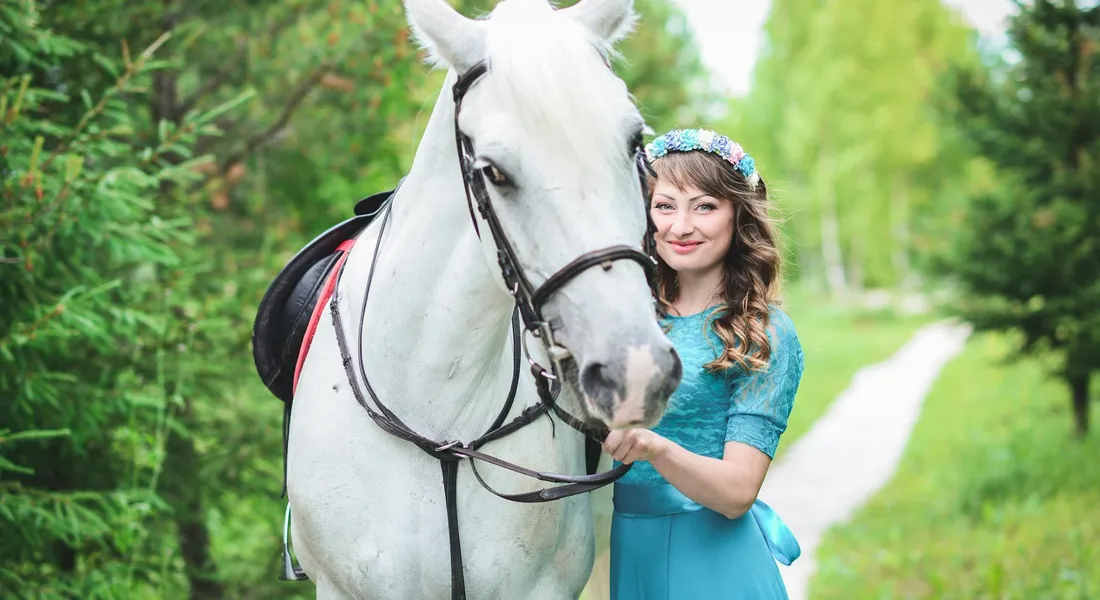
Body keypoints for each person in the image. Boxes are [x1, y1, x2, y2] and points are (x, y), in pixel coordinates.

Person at [604, 128, 804, 600]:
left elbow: (737, 493)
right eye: (665, 205)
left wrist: (655, 448)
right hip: (631, 553)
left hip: (716, 563)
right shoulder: (625, 318)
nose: (680, 226)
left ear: (738, 215)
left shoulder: (763, 333)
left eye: (705, 206)